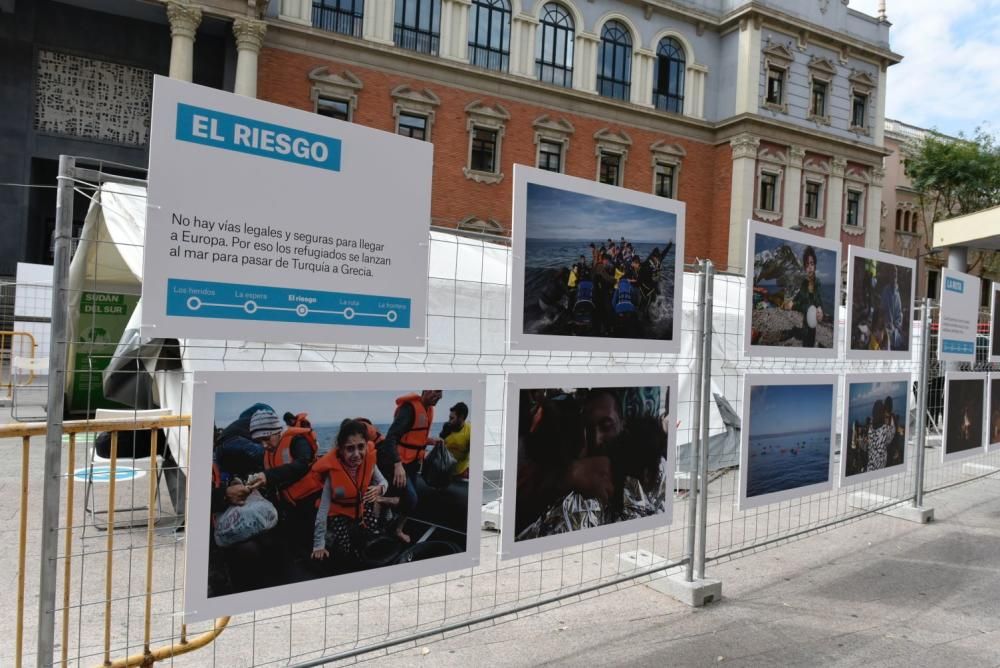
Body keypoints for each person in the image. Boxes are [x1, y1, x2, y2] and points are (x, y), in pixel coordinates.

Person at [311, 419, 388, 563]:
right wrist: (318, 544)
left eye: (361, 447)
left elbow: (384, 482)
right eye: (350, 448)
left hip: (360, 508)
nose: (357, 454)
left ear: (366, 446)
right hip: (338, 512)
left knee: (374, 534)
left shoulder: (369, 463)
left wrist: (380, 489)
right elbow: (322, 511)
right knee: (344, 546)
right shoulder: (332, 473)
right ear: (340, 449)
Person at [251, 408, 322, 553]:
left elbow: (303, 463)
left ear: (277, 431)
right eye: (259, 441)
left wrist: (268, 476)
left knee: (311, 541)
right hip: (289, 505)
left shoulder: (297, 440)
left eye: (266, 438)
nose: (264, 445)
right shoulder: (269, 451)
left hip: (312, 502)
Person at [377, 390, 444, 543]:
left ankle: (396, 529)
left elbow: (413, 438)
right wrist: (397, 464)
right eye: (437, 391)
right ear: (426, 390)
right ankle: (378, 501)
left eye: (441, 392)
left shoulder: (429, 410)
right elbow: (391, 438)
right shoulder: (409, 409)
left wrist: (430, 441)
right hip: (398, 464)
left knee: (410, 500)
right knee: (411, 500)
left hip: (413, 464)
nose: (440, 396)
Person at [783, 245, 824, 347]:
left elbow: (818, 299)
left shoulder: (817, 283)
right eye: (806, 265)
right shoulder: (801, 283)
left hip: (812, 323)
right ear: (804, 267)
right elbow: (797, 302)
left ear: (815, 265)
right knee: (806, 342)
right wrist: (793, 304)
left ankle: (799, 335)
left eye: (811, 263)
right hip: (804, 322)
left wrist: (820, 309)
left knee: (810, 341)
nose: (809, 268)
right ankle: (795, 333)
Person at [441, 401, 472, 479]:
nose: (449, 421)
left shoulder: (470, 431)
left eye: (452, 418)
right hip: (445, 469)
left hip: (461, 471)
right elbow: (440, 448)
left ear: (461, 417)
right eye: (449, 417)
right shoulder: (446, 427)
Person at [881, 265, 905, 350]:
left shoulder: (897, 294)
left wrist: (896, 327)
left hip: (895, 333)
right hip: (885, 332)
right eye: (893, 272)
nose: (894, 274)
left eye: (896, 272)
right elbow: (882, 310)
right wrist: (886, 325)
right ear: (889, 274)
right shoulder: (886, 291)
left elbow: (899, 313)